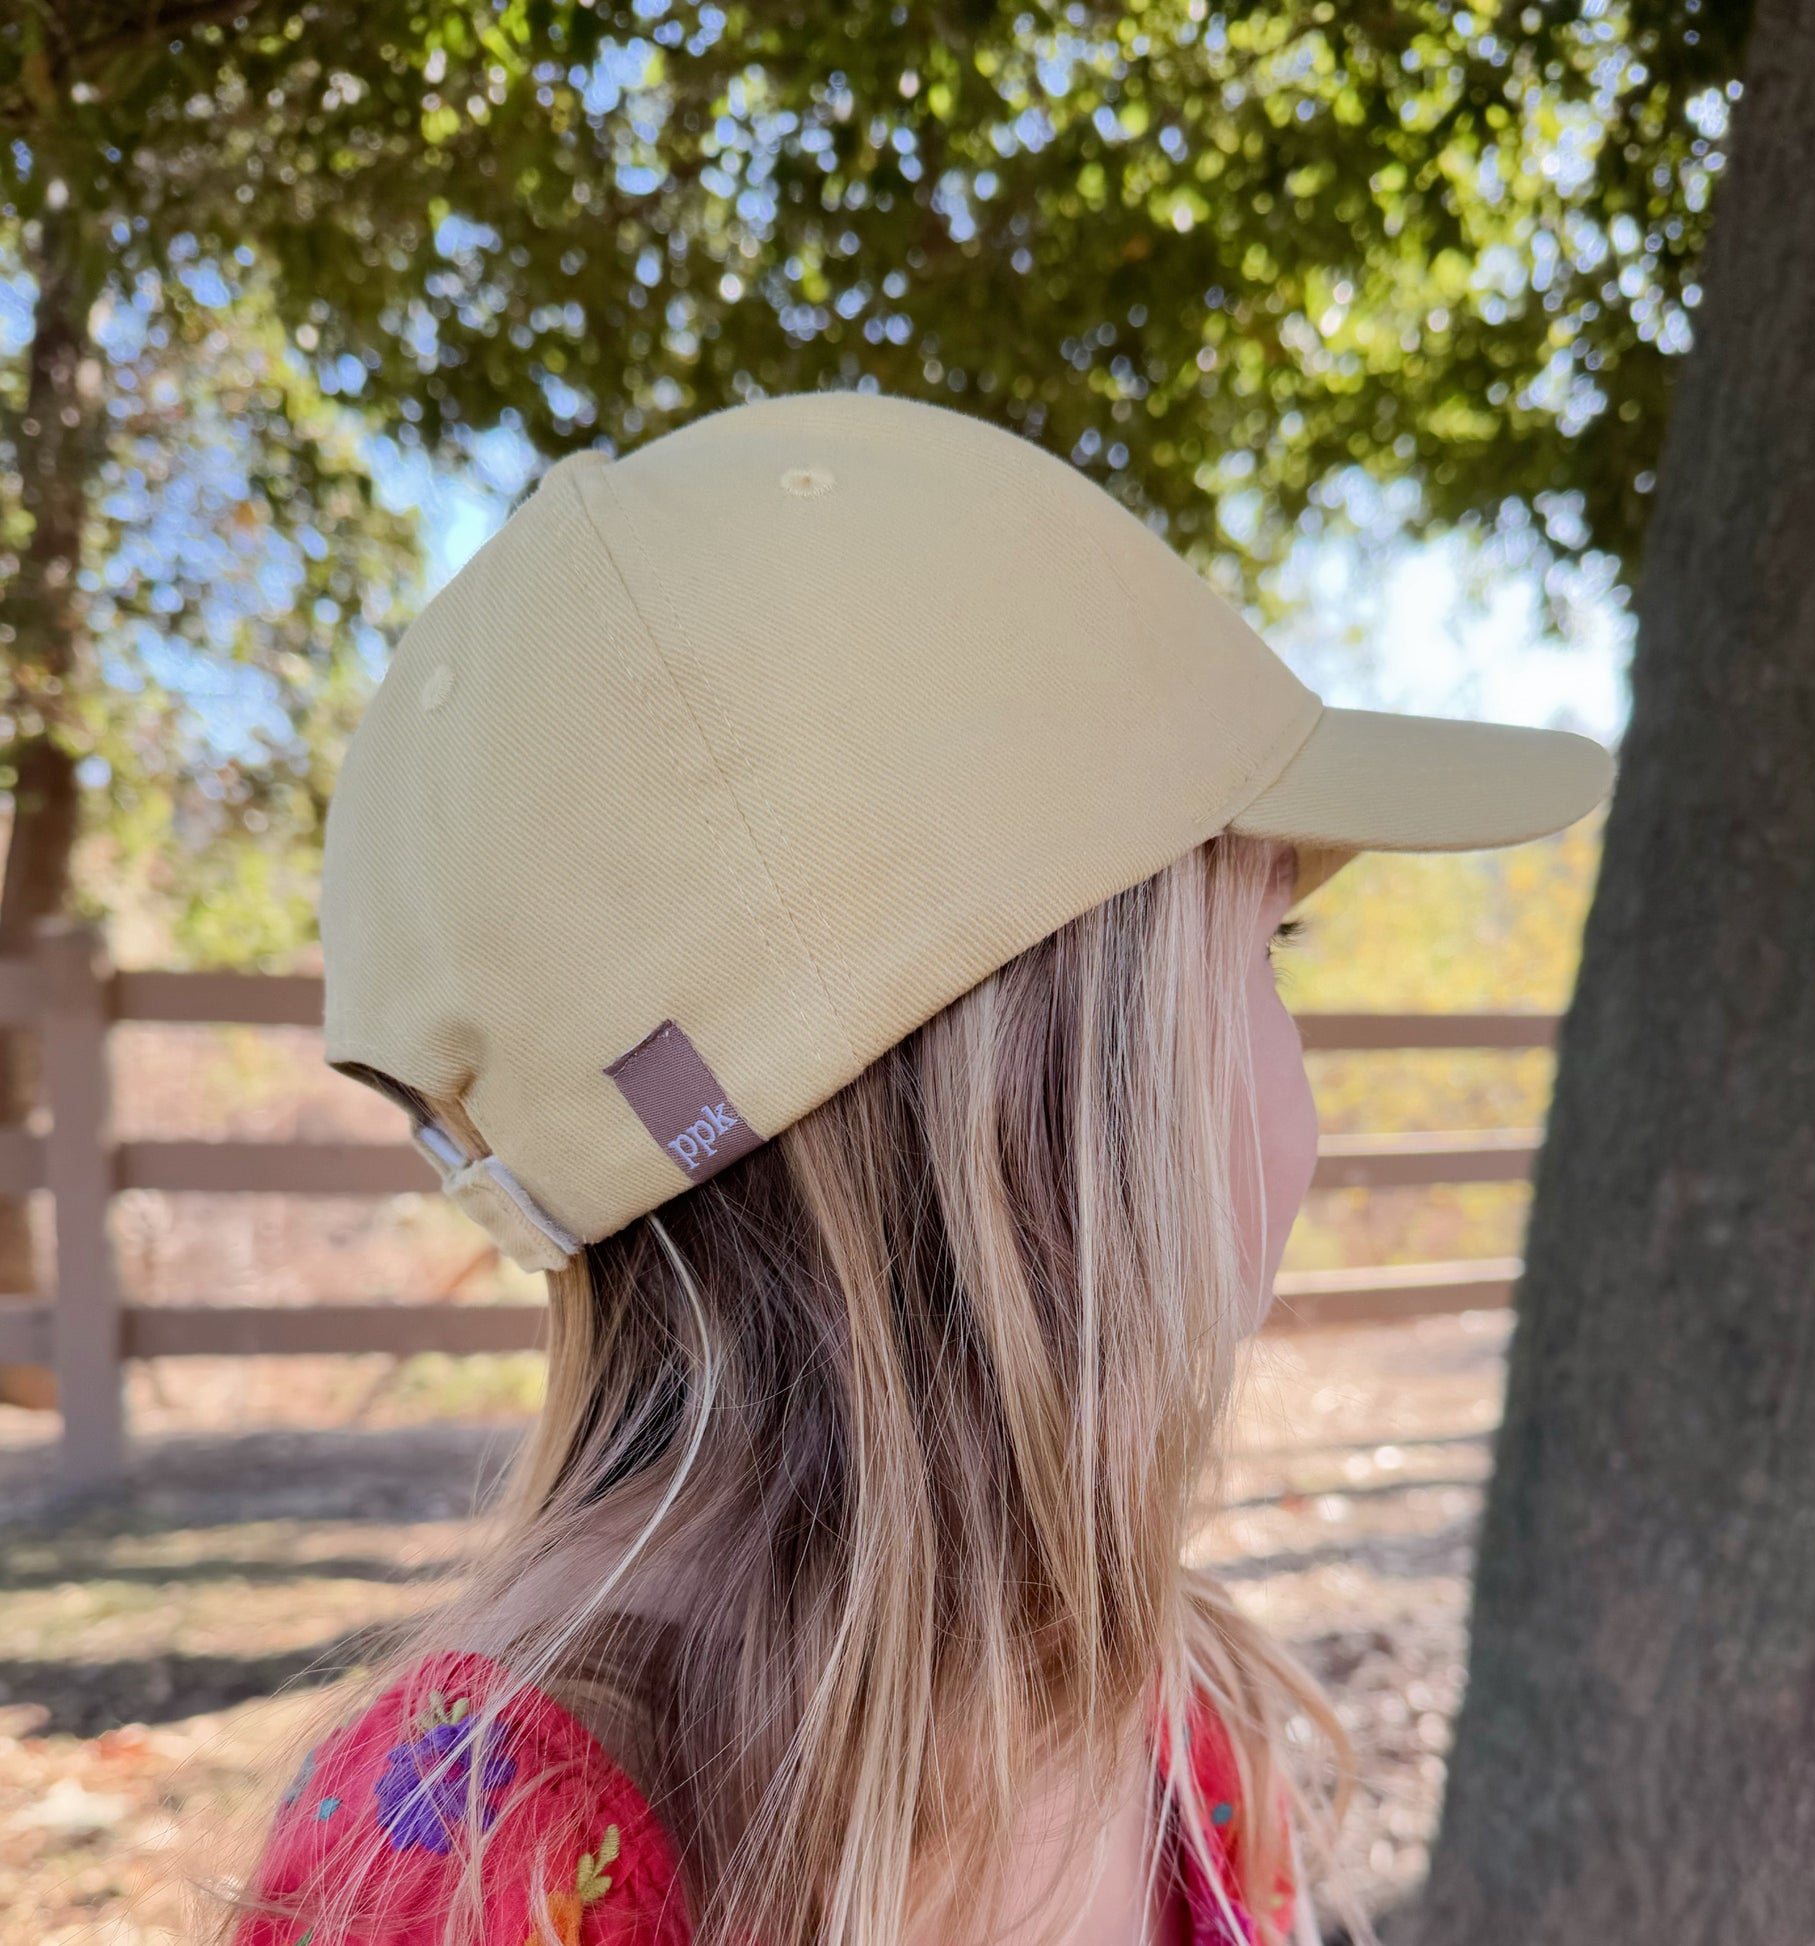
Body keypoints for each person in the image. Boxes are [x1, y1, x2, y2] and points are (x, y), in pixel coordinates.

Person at [228, 391, 1611, 1946]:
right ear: (1075, 1097)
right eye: (1266, 946)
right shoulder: (485, 1870)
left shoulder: (1170, 1715)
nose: (1302, 1091)